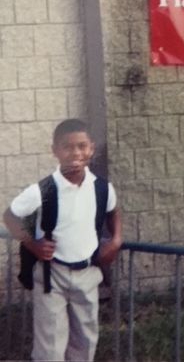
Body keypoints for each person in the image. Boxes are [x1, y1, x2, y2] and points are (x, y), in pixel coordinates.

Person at [3, 118, 122, 362]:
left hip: (87, 274)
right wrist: (32, 244)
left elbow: (113, 212)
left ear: (91, 148)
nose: (75, 153)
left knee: (85, 341)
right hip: (51, 275)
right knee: (50, 348)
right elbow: (10, 215)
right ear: (55, 151)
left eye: (82, 146)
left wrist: (116, 240)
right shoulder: (44, 189)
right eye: (67, 147)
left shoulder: (102, 188)